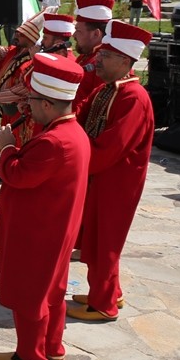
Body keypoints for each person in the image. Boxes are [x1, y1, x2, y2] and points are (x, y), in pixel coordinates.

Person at [0, 54, 90, 360]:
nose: (27, 107)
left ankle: (31, 355)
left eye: (31, 100)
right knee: (53, 289)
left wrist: (6, 148)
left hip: (38, 230)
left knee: (29, 291)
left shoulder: (54, 142)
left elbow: (18, 174)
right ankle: (53, 346)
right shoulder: (71, 133)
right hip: (56, 226)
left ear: (47, 105)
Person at [68, 21, 154, 322]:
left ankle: (103, 303)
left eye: (106, 55)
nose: (98, 60)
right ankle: (109, 290)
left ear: (125, 61)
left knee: (105, 240)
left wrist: (76, 161)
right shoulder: (109, 90)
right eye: (100, 53)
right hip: (101, 178)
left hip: (117, 181)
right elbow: (80, 116)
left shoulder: (133, 98)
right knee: (96, 235)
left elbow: (111, 148)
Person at [71, 0, 113, 113]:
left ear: (96, 34)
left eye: (78, 30)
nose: (74, 36)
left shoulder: (104, 64)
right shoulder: (85, 56)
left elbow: (97, 110)